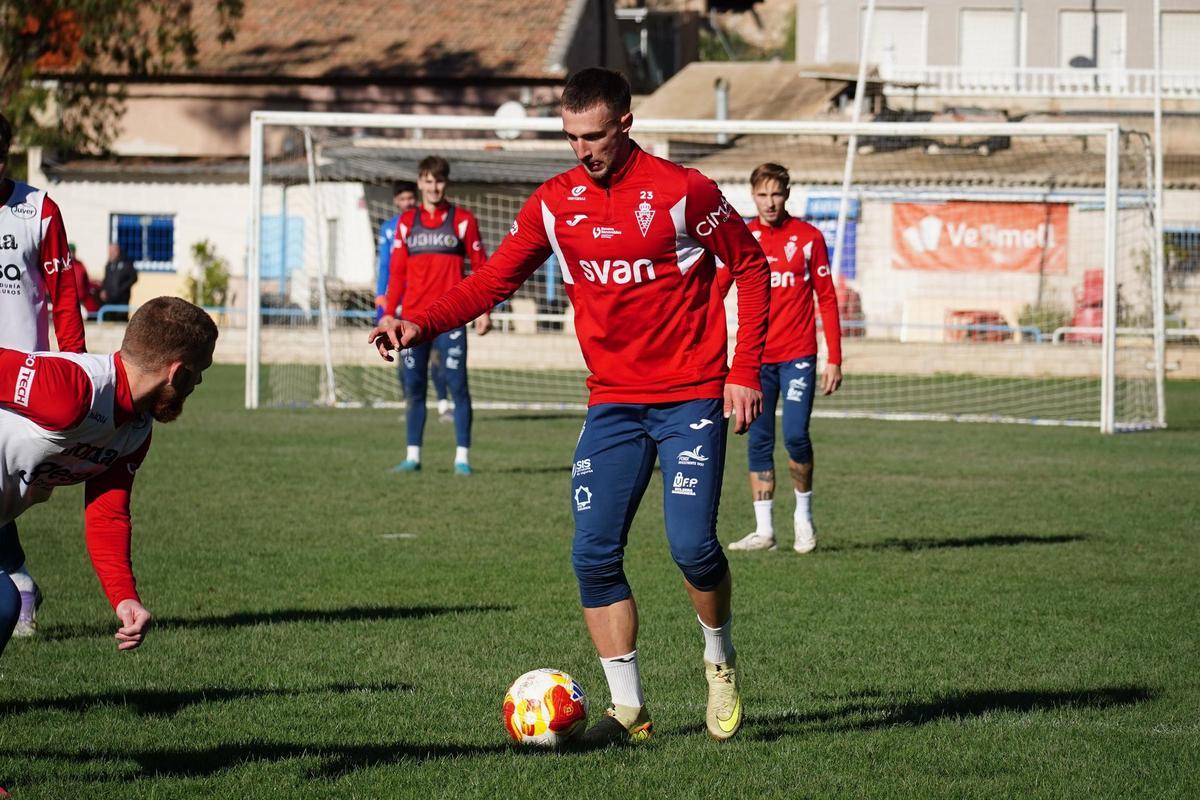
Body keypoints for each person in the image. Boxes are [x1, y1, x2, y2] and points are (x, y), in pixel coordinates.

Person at [370, 68, 770, 744]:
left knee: (693, 546)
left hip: (690, 394)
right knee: (592, 554)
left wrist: (744, 371)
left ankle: (719, 657)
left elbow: (751, 267)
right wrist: (420, 323)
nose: (583, 150)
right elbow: (494, 279)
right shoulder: (554, 203)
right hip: (613, 401)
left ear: (625, 123)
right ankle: (630, 711)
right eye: (570, 137)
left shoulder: (683, 191)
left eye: (594, 136)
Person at [0, 296, 217, 656]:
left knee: (5, 605)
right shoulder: (72, 390)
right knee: (4, 602)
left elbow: (107, 513)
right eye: (200, 371)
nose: (199, 383)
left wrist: (124, 597)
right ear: (178, 373)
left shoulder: (135, 429)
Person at [723, 163, 843, 554]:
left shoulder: (808, 238)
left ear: (787, 194)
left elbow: (826, 298)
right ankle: (764, 531)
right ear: (752, 195)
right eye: (762, 194)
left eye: (776, 194)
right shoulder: (743, 237)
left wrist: (834, 357)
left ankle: (803, 518)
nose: (770, 202)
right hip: (755, 361)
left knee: (794, 435)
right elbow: (716, 289)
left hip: (798, 356)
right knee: (757, 439)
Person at [0, 112, 87, 638]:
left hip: (21, 380)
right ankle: (19, 584)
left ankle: (17, 583)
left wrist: (73, 364)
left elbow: (65, 295)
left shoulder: (37, 210)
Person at [380, 156, 491, 475]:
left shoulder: (463, 220)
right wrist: (389, 314)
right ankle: (413, 456)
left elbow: (481, 267)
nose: (434, 186)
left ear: (446, 183)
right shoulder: (405, 223)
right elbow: (397, 273)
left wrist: (484, 309)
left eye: (439, 180)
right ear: (419, 182)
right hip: (412, 323)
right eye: (428, 180)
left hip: (451, 321)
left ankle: (462, 459)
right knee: (413, 388)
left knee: (457, 385)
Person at [99, 242, 137, 320]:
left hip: (122, 299)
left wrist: (122, 289)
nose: (110, 254)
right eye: (109, 252)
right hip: (110, 299)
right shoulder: (109, 265)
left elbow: (134, 278)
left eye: (112, 252)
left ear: (117, 251)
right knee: (108, 319)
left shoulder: (126, 263)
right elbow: (106, 279)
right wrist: (103, 290)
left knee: (121, 319)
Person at [70, 242, 101, 318]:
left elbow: (86, 281)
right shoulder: (62, 265)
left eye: (73, 251)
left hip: (81, 301)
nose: (71, 253)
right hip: (68, 301)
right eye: (70, 251)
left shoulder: (80, 265)